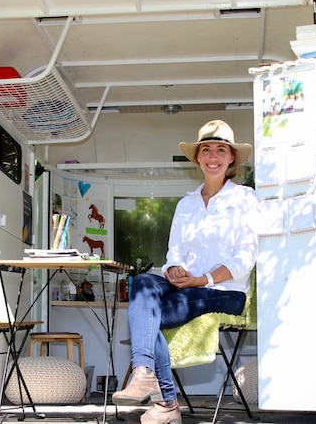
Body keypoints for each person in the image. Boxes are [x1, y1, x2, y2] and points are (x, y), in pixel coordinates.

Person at [112, 120, 260, 424]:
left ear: (232, 158)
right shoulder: (186, 204)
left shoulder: (245, 199)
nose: (213, 156)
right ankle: (145, 374)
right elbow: (173, 254)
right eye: (206, 149)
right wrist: (175, 270)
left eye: (221, 150)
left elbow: (246, 257)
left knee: (147, 315)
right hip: (186, 287)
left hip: (225, 292)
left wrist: (201, 280)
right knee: (142, 283)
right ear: (198, 157)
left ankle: (165, 402)